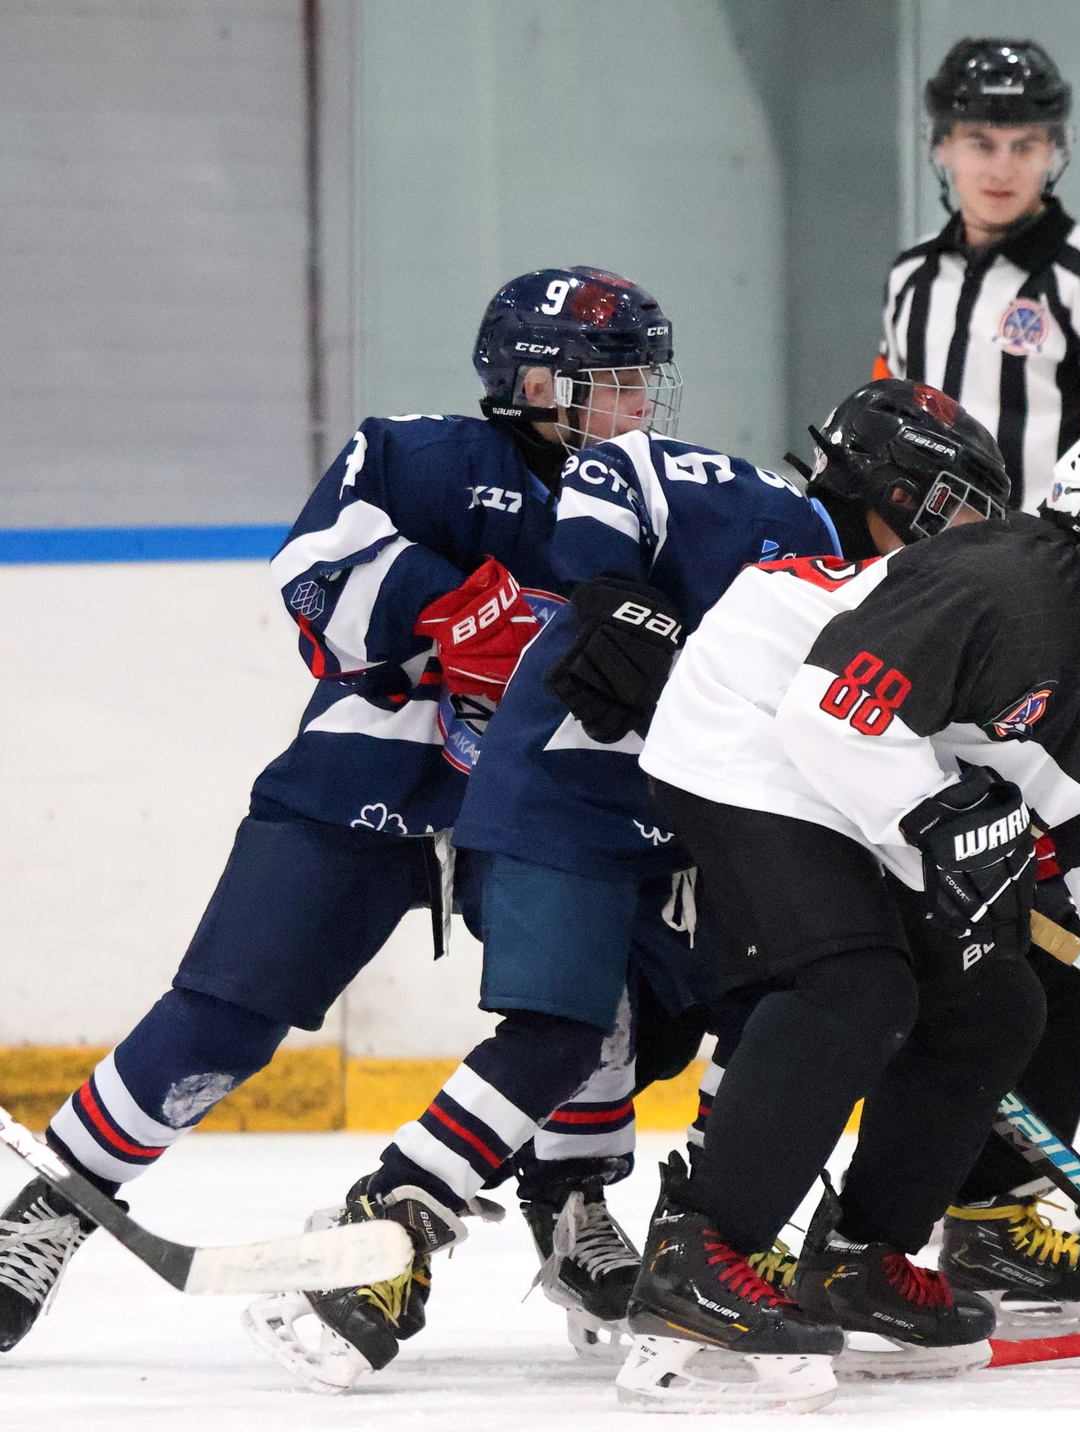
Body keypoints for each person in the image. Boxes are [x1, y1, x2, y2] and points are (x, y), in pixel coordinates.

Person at [243, 381, 972, 1395]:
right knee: (560, 1032)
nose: (959, 537)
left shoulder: (887, 602)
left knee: (772, 1007)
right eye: (953, 505)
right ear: (894, 484)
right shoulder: (755, 504)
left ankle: (722, 1246)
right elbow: (617, 465)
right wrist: (608, 589)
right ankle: (390, 1225)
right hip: (562, 792)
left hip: (690, 826)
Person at [0, 267, 644, 1354]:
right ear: (533, 381)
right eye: (613, 381)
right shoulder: (418, 453)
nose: (636, 405)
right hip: (373, 766)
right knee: (224, 1008)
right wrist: (443, 611)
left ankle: (572, 1200)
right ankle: (54, 1205)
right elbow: (312, 569)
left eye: (642, 382)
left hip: (544, 788)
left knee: (593, 999)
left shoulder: (651, 492)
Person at [616, 413, 1080, 1411]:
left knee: (999, 1008)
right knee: (853, 986)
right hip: (753, 720)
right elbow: (830, 711)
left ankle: (860, 1256)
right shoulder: (1016, 582)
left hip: (866, 754)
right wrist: (935, 819)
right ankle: (699, 1259)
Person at [875, 37, 1080, 510]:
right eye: (981, 143)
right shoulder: (910, 278)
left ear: (1052, 152)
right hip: (927, 568)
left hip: (1050, 571)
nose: (1002, 169)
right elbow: (888, 426)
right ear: (942, 148)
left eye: (1024, 146)